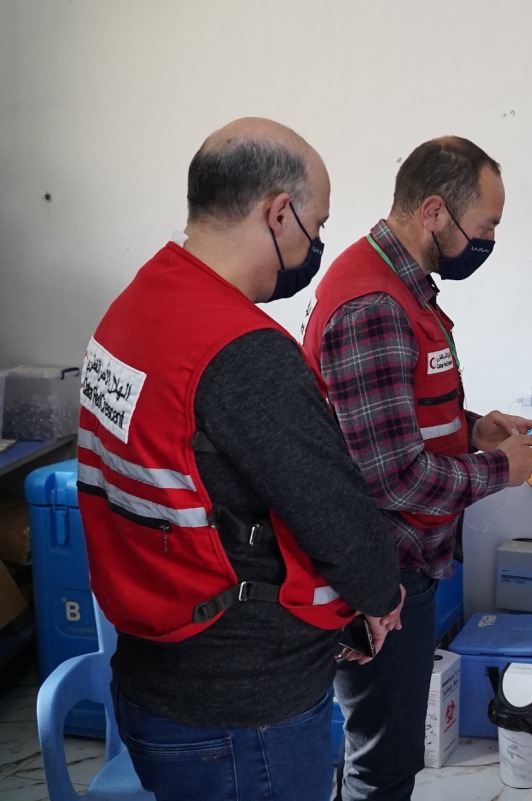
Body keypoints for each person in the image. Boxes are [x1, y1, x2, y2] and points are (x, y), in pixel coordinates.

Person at [77, 118, 406, 801]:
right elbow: (339, 518)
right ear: (278, 213)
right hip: (244, 712)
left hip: (151, 676)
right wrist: (381, 595)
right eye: (317, 225)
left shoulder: (134, 307)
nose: (317, 244)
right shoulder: (242, 352)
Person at [301, 135, 532, 801]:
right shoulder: (373, 304)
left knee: (390, 752)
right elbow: (393, 476)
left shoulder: (406, 291)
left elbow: (399, 416)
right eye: (486, 226)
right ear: (435, 211)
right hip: (381, 573)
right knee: (382, 765)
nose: (490, 240)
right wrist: (498, 467)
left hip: (410, 564)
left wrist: (475, 429)